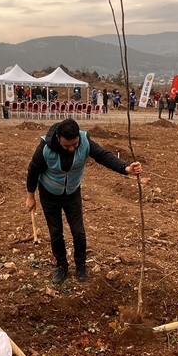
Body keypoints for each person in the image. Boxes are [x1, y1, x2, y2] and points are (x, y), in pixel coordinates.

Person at [25, 118, 142, 284]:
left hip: (72, 192)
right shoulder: (45, 148)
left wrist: (125, 168)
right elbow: (33, 170)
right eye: (67, 146)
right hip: (49, 193)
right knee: (56, 232)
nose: (72, 148)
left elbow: (103, 156)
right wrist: (30, 195)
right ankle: (61, 266)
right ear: (58, 138)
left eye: (75, 144)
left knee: (78, 232)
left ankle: (81, 266)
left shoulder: (85, 142)